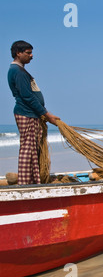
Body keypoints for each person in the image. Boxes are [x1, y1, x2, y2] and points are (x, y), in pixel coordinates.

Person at [7, 40, 60, 185]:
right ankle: (25, 183)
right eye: (28, 53)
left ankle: (32, 180)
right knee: (27, 149)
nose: (32, 56)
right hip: (26, 113)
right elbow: (27, 96)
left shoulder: (20, 70)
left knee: (32, 148)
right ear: (18, 53)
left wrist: (42, 113)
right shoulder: (18, 72)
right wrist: (46, 114)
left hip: (31, 113)